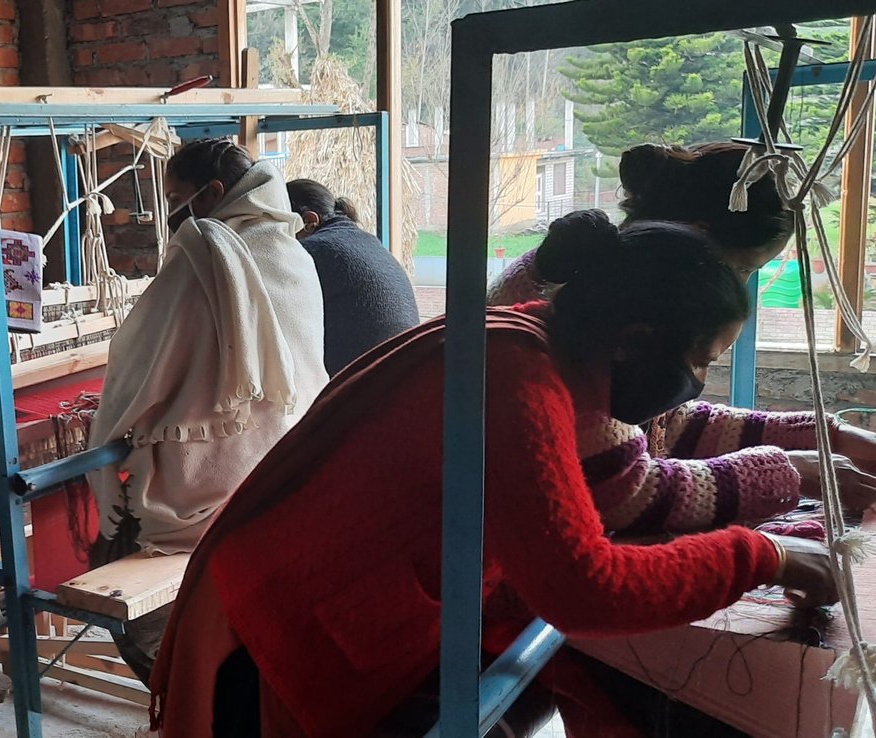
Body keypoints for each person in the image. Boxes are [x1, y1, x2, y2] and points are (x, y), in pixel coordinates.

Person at [150, 215, 839, 737]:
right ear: (635, 343)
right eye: (703, 360)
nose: (699, 382)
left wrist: (816, 444)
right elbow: (584, 589)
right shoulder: (519, 381)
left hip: (307, 597)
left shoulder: (545, 343)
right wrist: (766, 555)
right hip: (272, 631)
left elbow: (637, 463)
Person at [489, 144, 876, 537]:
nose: (738, 286)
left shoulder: (603, 303)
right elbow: (628, 492)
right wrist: (786, 479)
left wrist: (831, 437)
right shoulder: (558, 350)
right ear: (699, 238)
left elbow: (669, 427)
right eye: (743, 268)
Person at [87, 138, 328, 682]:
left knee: (116, 562)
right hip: (279, 469)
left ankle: (185, 692)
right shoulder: (294, 254)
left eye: (177, 198)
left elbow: (137, 369)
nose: (174, 211)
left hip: (205, 492)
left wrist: (104, 444)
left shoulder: (202, 256)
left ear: (214, 193)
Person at [286, 179, 420, 374]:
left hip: (365, 383)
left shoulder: (311, 251)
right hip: (402, 375)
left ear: (309, 221)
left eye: (279, 226)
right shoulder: (368, 241)